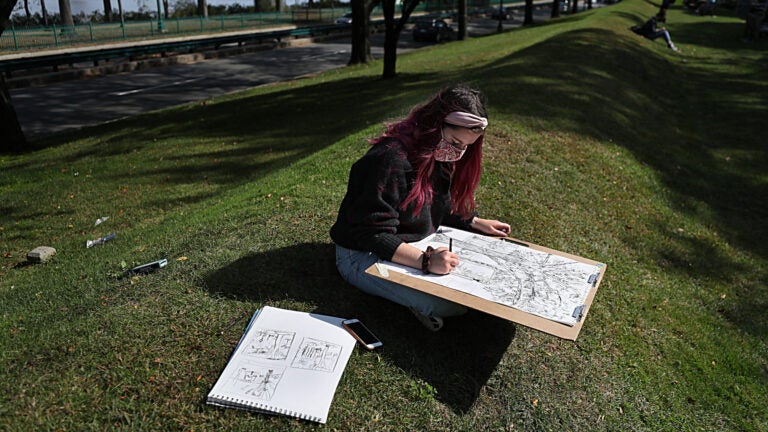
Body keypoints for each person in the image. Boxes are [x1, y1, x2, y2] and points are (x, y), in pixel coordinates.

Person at [330, 85, 511, 331]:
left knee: (471, 297)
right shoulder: (390, 160)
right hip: (362, 254)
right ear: (436, 125)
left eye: (466, 146)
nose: (458, 152)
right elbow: (370, 233)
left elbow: (436, 201)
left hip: (407, 240)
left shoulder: (435, 150)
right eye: (455, 142)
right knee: (450, 305)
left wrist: (472, 221)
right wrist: (425, 261)